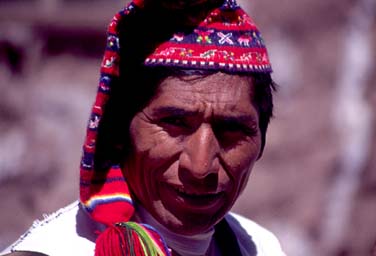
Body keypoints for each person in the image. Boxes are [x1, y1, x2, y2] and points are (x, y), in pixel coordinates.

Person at [1, 0, 285, 255]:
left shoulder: (260, 247)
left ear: (261, 140)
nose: (200, 167)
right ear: (119, 132)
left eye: (231, 130)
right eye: (174, 124)